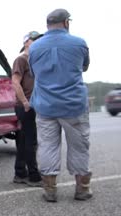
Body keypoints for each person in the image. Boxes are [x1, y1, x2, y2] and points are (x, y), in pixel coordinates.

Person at [28, 8, 92, 202]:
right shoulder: (79, 43)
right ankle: (82, 189)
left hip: (45, 106)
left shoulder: (34, 47)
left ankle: (50, 190)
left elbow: (33, 73)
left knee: (47, 146)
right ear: (66, 23)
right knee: (79, 146)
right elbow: (84, 67)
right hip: (73, 105)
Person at [12, 31, 43, 187]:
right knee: (31, 141)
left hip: (34, 104)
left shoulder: (35, 60)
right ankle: (34, 176)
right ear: (26, 43)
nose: (39, 42)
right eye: (35, 40)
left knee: (24, 140)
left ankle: (20, 173)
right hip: (25, 105)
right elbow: (15, 82)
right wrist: (25, 102)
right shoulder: (21, 59)